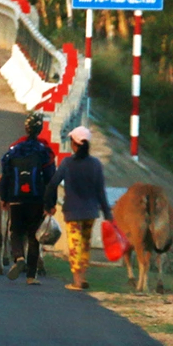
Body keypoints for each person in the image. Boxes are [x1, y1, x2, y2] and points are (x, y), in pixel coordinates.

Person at [0, 111, 57, 285]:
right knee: (33, 236)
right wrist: (50, 203)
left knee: (16, 231)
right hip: (36, 199)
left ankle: (18, 257)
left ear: (26, 128)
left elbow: (6, 175)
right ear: (40, 130)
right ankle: (31, 276)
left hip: (16, 198)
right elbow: (50, 179)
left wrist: (4, 197)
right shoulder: (44, 151)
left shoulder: (14, 148)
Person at [55, 125, 111, 291]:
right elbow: (101, 191)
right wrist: (107, 212)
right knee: (85, 245)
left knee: (75, 246)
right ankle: (83, 277)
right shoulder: (96, 164)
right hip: (90, 212)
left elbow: (53, 183)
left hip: (72, 211)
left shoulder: (67, 163)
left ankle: (77, 280)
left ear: (74, 144)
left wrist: (49, 204)